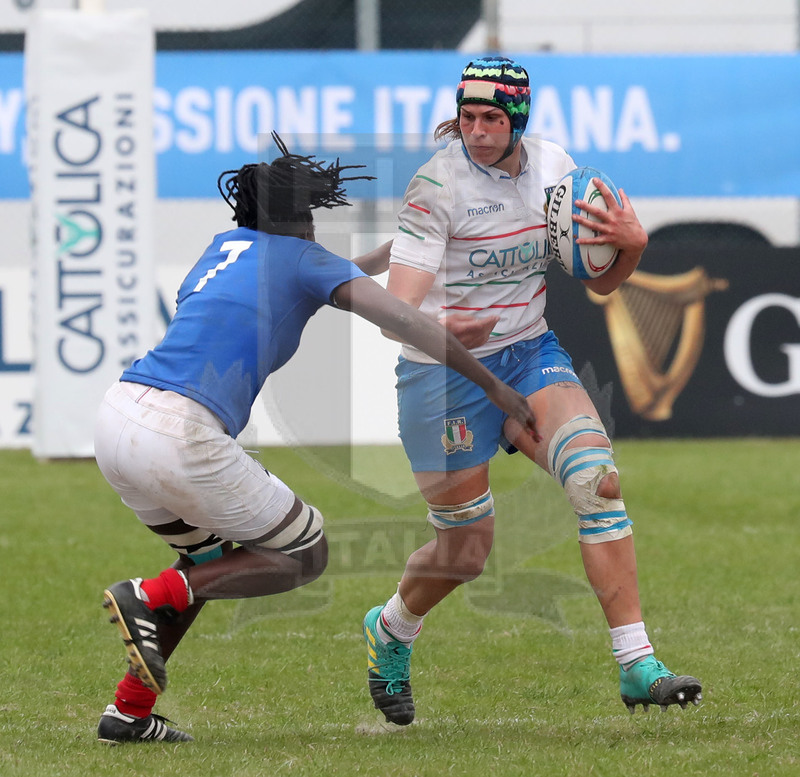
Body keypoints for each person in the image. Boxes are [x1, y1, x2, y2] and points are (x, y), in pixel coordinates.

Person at [93, 132, 538, 745]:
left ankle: (129, 710)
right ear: (298, 217)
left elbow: (323, 274)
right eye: (311, 214)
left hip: (118, 418)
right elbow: (404, 320)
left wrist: (401, 250)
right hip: (181, 430)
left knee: (207, 560)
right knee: (304, 553)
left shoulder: (223, 248)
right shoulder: (302, 257)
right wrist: (494, 386)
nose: (314, 227)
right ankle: (147, 594)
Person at [362, 56, 702, 726]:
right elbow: (395, 310)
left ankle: (637, 663)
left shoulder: (556, 169)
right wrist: (450, 324)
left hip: (526, 356)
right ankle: (391, 628)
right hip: (443, 373)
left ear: (518, 120)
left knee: (597, 480)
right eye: (468, 117)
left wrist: (631, 247)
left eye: (492, 118)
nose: (479, 131)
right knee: (466, 550)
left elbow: (602, 282)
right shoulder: (435, 186)